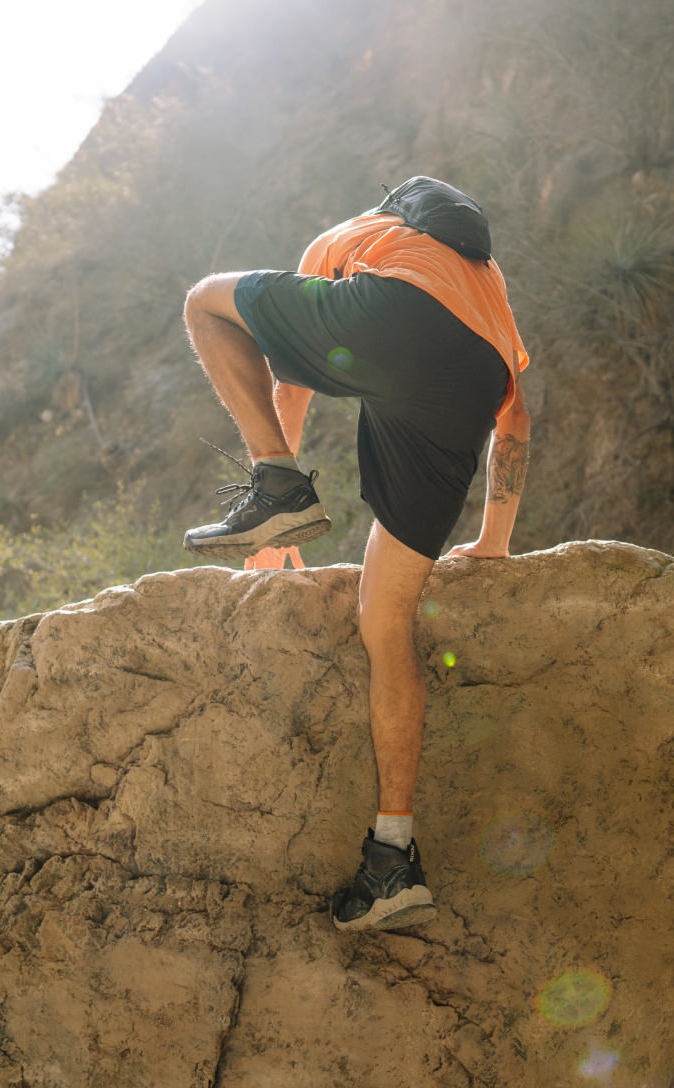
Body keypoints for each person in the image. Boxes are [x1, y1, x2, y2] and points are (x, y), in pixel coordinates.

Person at [182, 178, 530, 931]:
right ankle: (393, 857)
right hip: (473, 384)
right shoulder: (488, 286)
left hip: (397, 321)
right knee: (387, 621)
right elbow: (516, 425)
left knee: (206, 300)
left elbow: (295, 379)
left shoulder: (358, 234)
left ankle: (276, 489)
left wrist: (276, 509)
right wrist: (495, 538)